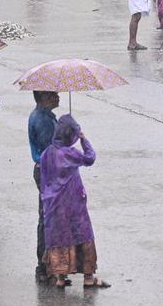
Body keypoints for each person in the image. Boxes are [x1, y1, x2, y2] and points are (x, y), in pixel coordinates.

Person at [40, 114, 110, 289]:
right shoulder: (70, 153)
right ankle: (88, 277)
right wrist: (84, 139)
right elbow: (90, 158)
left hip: (53, 205)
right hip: (73, 203)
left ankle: (61, 278)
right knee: (82, 233)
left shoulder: (47, 153)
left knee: (60, 236)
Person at [28, 91, 60, 281]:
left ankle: (48, 263)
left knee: (48, 216)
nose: (58, 97)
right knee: (48, 218)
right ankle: (44, 264)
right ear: (44, 97)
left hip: (46, 170)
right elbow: (50, 149)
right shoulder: (43, 120)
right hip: (48, 172)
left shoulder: (45, 116)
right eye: (53, 94)